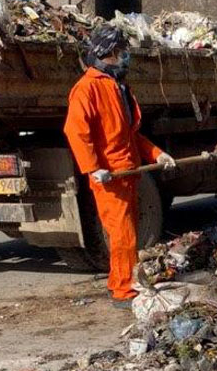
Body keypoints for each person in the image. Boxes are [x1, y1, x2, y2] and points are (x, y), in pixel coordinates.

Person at [62, 26, 177, 306]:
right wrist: (93, 168)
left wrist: (157, 154)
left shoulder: (117, 87)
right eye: (122, 51)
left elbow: (130, 136)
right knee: (123, 235)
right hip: (110, 177)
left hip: (127, 173)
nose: (127, 56)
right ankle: (123, 291)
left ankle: (122, 282)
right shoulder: (87, 88)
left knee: (127, 234)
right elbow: (76, 131)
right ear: (109, 54)